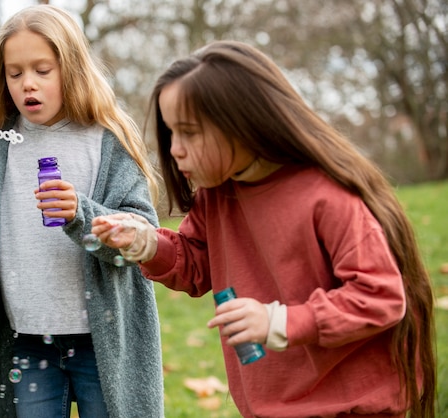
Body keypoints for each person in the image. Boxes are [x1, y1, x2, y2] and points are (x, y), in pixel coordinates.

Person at [92, 40, 436, 417]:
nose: (174, 149)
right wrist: (147, 243)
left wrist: (280, 321)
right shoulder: (218, 196)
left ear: (242, 123)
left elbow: (380, 296)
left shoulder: (326, 195)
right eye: (171, 133)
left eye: (189, 132)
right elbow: (196, 263)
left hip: (349, 408)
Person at [0, 5, 164, 418]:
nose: (28, 83)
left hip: (103, 340)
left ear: (71, 68)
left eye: (43, 70)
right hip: (26, 340)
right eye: (15, 72)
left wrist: (82, 213)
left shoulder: (106, 142)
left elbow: (143, 236)